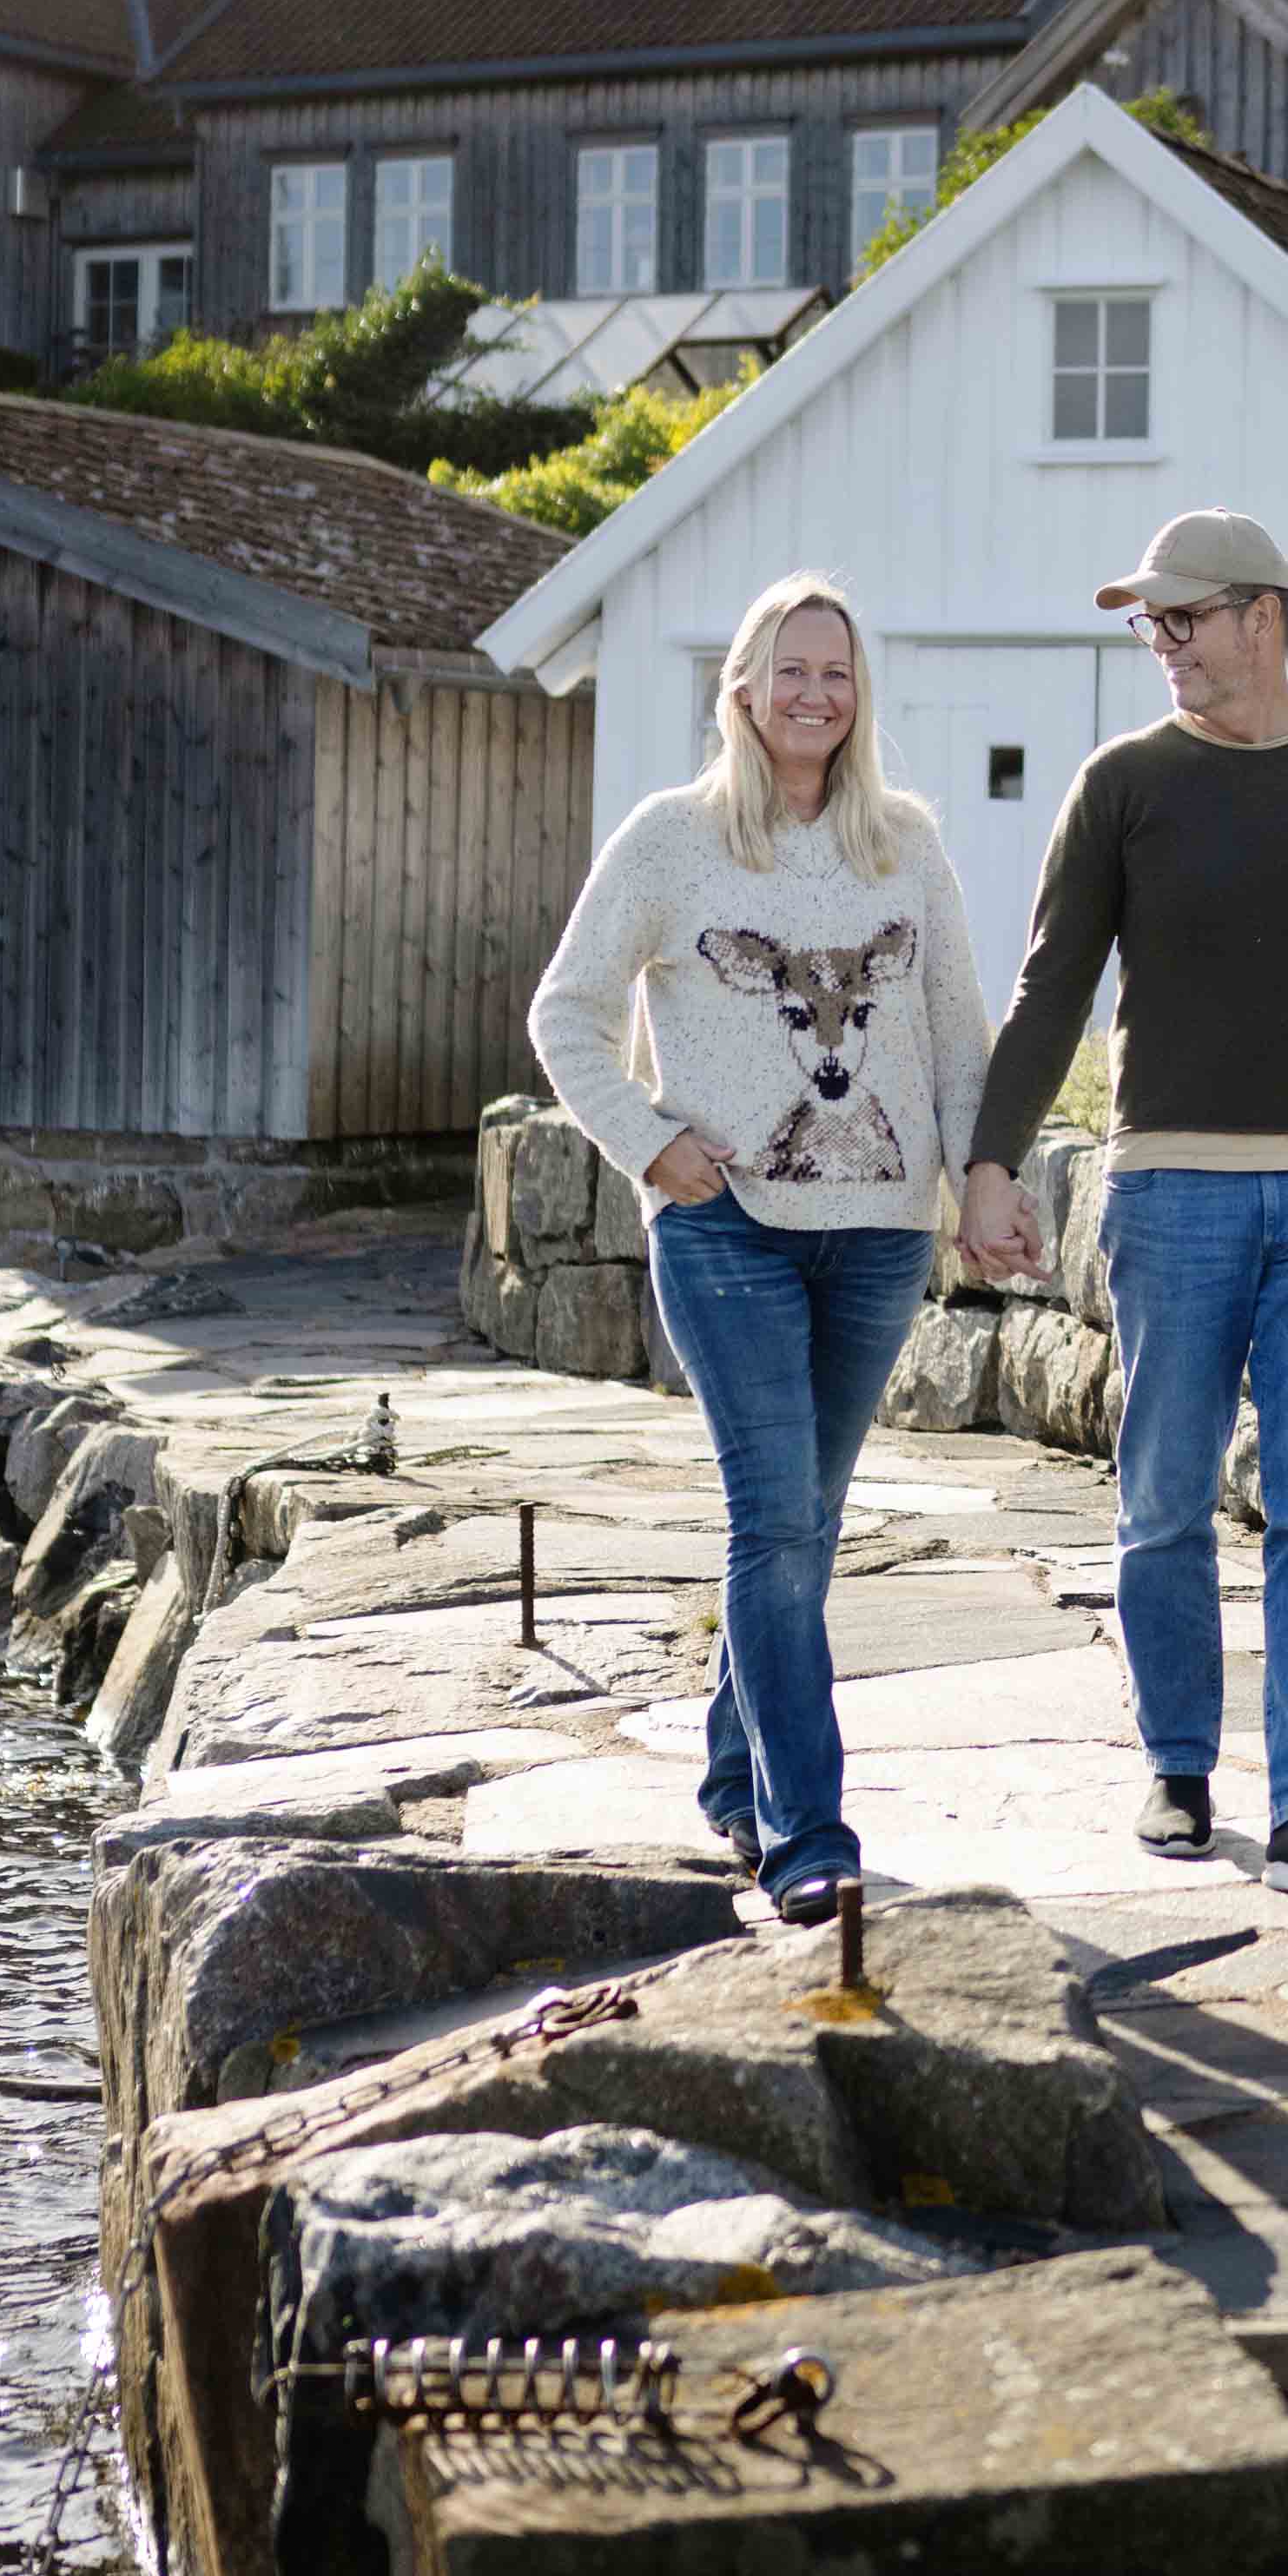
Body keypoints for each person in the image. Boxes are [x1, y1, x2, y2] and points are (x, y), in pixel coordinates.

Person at [961, 510, 1288, 1913]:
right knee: (1164, 1492)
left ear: (1265, 618)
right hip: (1169, 1190)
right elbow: (1051, 985)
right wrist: (991, 1160)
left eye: (1184, 617)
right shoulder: (1121, 786)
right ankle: (1177, 1762)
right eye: (1149, 622)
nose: (1162, 642)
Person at [525, 572, 985, 1931]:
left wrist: (981, 1183)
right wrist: (646, 1141)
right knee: (776, 1521)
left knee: (809, 1523)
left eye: (836, 672)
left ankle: (736, 1773)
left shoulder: (907, 847)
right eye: (790, 669)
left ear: (860, 695)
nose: (813, 694)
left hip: (880, 1237)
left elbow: (958, 1037)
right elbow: (567, 1012)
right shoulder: (673, 840)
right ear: (741, 689)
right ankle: (807, 1834)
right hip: (726, 1230)